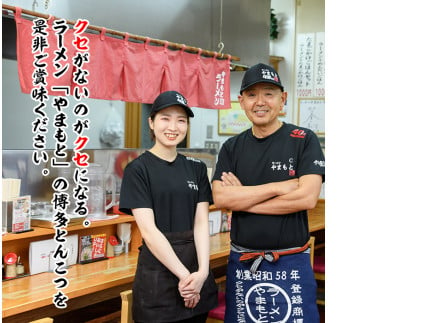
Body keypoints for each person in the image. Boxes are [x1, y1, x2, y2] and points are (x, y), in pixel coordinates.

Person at [212, 63, 325, 322]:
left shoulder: (303, 139)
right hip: (244, 264)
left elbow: (306, 198)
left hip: (291, 262)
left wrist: (242, 200)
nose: (260, 102)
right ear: (241, 101)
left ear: (282, 99)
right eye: (251, 95)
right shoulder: (232, 147)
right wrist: (277, 188)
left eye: (269, 93)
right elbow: (221, 198)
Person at [119, 90, 218, 323]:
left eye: (181, 120)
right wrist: (186, 278)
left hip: (196, 270)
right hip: (159, 276)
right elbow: (150, 232)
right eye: (165, 118)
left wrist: (202, 273)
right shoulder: (137, 170)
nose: (173, 126)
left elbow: (201, 223)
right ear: (151, 123)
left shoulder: (196, 169)